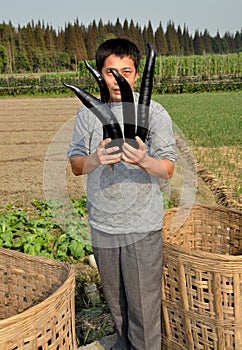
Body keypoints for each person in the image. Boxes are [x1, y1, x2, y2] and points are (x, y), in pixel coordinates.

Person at [67, 38, 177, 350]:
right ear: (100, 74)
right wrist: (94, 160)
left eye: (125, 71)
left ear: (137, 74)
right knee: (117, 308)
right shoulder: (87, 115)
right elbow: (76, 165)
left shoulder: (154, 114)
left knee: (143, 311)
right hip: (102, 225)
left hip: (142, 227)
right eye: (110, 71)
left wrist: (143, 160)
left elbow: (167, 168)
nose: (117, 79)